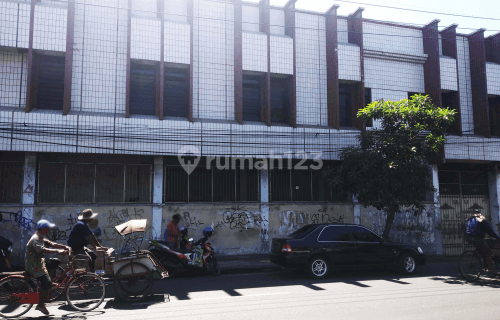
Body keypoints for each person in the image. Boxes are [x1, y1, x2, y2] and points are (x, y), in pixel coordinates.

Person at [25, 219, 70, 315]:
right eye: (47, 228)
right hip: (33, 265)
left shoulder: (41, 237)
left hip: (39, 262)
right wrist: (57, 251)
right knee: (46, 282)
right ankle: (40, 304)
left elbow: (51, 244)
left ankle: (48, 282)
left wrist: (64, 247)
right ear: (43, 229)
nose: (49, 230)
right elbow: (42, 250)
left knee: (55, 261)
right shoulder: (35, 238)